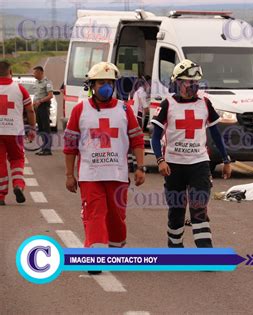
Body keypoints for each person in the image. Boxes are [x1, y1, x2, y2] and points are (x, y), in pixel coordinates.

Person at [63, 62, 145, 263]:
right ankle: (94, 254)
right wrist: (69, 174)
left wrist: (141, 167)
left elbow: (137, 139)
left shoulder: (124, 109)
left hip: (117, 175)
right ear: (91, 85)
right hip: (90, 175)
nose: (106, 86)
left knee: (117, 218)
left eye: (110, 82)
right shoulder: (80, 110)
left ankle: (115, 252)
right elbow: (70, 144)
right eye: (101, 82)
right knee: (94, 214)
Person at [151, 59, 232, 248]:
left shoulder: (205, 103)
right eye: (188, 82)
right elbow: (155, 138)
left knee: (199, 208)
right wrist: (160, 160)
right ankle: (175, 249)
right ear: (177, 82)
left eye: (196, 82)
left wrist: (226, 159)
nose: (193, 86)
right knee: (177, 210)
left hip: (199, 165)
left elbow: (215, 134)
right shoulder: (167, 105)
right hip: (174, 166)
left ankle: (205, 253)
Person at [0, 61, 36, 205]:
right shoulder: (20, 89)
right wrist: (32, 128)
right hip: (15, 131)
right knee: (17, 159)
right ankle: (18, 184)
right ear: (11, 72)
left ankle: (1, 196)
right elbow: (30, 110)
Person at [32, 66, 53, 156]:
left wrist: (40, 101)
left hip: (44, 106)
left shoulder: (47, 82)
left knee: (46, 128)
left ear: (40, 72)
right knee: (40, 128)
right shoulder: (36, 82)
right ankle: (43, 147)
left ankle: (47, 149)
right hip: (37, 108)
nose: (34, 74)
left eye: (35, 72)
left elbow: (50, 95)